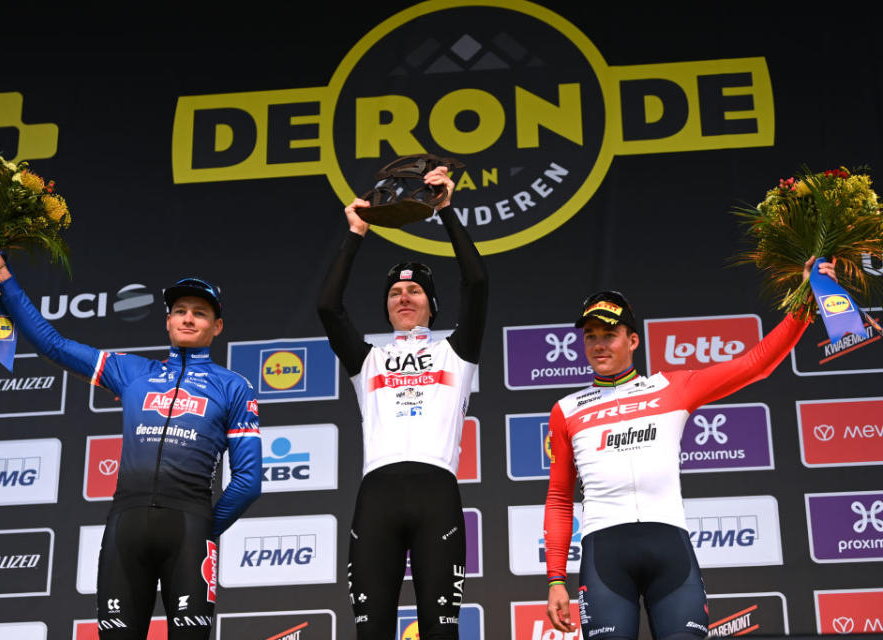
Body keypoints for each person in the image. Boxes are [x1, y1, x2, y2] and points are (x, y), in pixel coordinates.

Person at [0, 243, 261, 639]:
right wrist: (4, 278)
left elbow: (249, 480)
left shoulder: (234, 386)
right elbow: (53, 345)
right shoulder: (131, 371)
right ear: (167, 321)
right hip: (125, 527)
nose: (188, 319)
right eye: (180, 311)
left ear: (217, 327)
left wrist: (205, 527)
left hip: (189, 529)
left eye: (200, 313)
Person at [543, 258, 837, 640]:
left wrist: (804, 302)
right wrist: (554, 579)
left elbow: (756, 365)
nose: (599, 344)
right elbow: (560, 497)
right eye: (591, 336)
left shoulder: (672, 387)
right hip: (604, 554)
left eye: (609, 333)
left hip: (670, 551)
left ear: (632, 340)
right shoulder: (567, 409)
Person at [317, 165, 487, 639]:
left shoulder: (457, 352)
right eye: (394, 292)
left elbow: (477, 283)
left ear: (432, 304)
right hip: (377, 500)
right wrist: (356, 232)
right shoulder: (367, 360)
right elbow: (329, 307)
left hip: (437, 497)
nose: (404, 297)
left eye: (414, 290)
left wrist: (445, 210)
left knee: (441, 633)